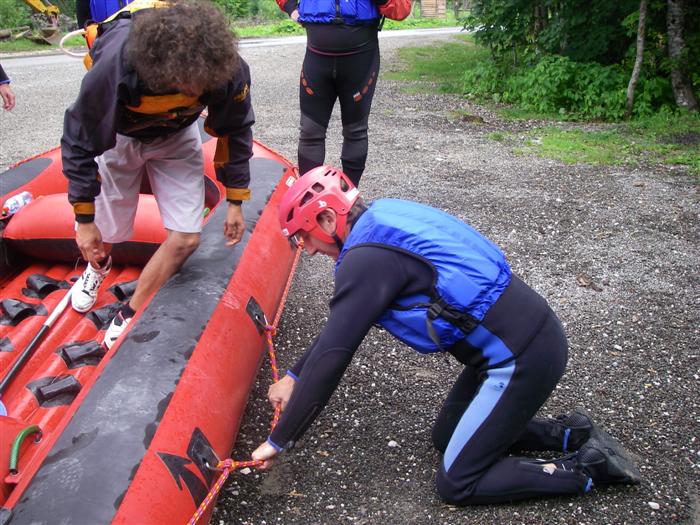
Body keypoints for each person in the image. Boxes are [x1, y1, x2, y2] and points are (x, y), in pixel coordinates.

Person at [251, 166, 641, 504]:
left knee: (458, 482)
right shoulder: (379, 221)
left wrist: (280, 440)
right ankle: (570, 433)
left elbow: (337, 353)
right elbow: (342, 327)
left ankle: (589, 468)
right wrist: (294, 377)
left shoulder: (366, 260)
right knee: (446, 437)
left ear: (326, 220)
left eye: (302, 237)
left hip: (521, 359)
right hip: (517, 343)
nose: (307, 251)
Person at [62, 0, 254, 349]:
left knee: (186, 239)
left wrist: (236, 200)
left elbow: (236, 130)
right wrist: (84, 218)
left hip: (177, 137)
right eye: (183, 86)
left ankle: (129, 312)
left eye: (199, 88)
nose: (193, 93)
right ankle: (96, 270)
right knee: (106, 232)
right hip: (120, 137)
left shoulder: (227, 68)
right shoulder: (118, 63)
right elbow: (78, 141)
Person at [275, 0, 386, 186]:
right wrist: (290, 6)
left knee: (355, 131)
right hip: (317, 54)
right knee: (310, 132)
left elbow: (401, 8)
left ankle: (348, 199)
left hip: (362, 57)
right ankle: (309, 199)